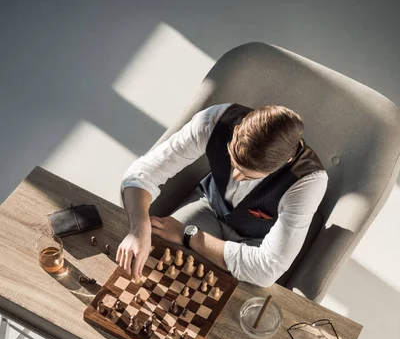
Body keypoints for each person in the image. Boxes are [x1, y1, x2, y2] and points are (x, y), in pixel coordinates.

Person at [117, 102, 328, 287]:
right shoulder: (215, 120)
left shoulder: (309, 182)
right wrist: (138, 228)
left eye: (248, 176)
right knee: (155, 260)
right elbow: (143, 172)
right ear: (237, 130)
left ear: (284, 164)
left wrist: (190, 236)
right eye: (233, 162)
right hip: (208, 204)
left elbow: (266, 270)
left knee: (222, 298)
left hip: (258, 241)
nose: (235, 176)